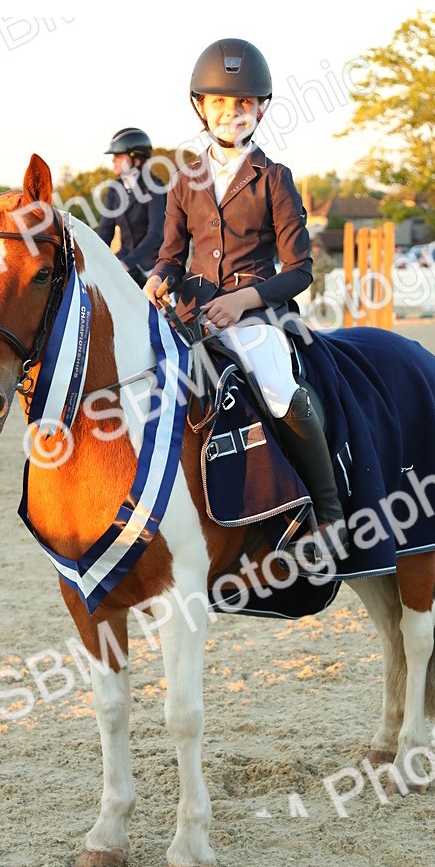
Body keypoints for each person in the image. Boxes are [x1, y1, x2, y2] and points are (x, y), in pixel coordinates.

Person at [143, 38, 349, 563]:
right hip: (191, 313)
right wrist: (157, 279)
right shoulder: (184, 180)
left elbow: (299, 269)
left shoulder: (273, 178)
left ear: (259, 110)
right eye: (219, 103)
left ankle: (327, 514)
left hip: (255, 314)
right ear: (200, 107)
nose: (230, 113)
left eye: (242, 104)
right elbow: (171, 255)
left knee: (279, 389)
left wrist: (244, 301)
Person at [96, 128, 166, 284]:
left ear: (137, 159)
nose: (113, 160)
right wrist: (94, 256)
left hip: (151, 264)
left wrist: (128, 262)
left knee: (163, 304)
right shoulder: (115, 189)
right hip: (123, 258)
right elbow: (105, 230)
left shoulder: (154, 187)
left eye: (118, 156)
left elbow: (155, 234)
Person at [309, 235, 335, 300]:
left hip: (320, 277)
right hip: (312, 277)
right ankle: (312, 308)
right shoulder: (310, 255)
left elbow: (332, 264)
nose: (316, 249)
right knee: (312, 295)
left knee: (321, 294)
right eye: (314, 247)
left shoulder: (324, 256)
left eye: (317, 247)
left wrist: (325, 271)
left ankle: (322, 309)